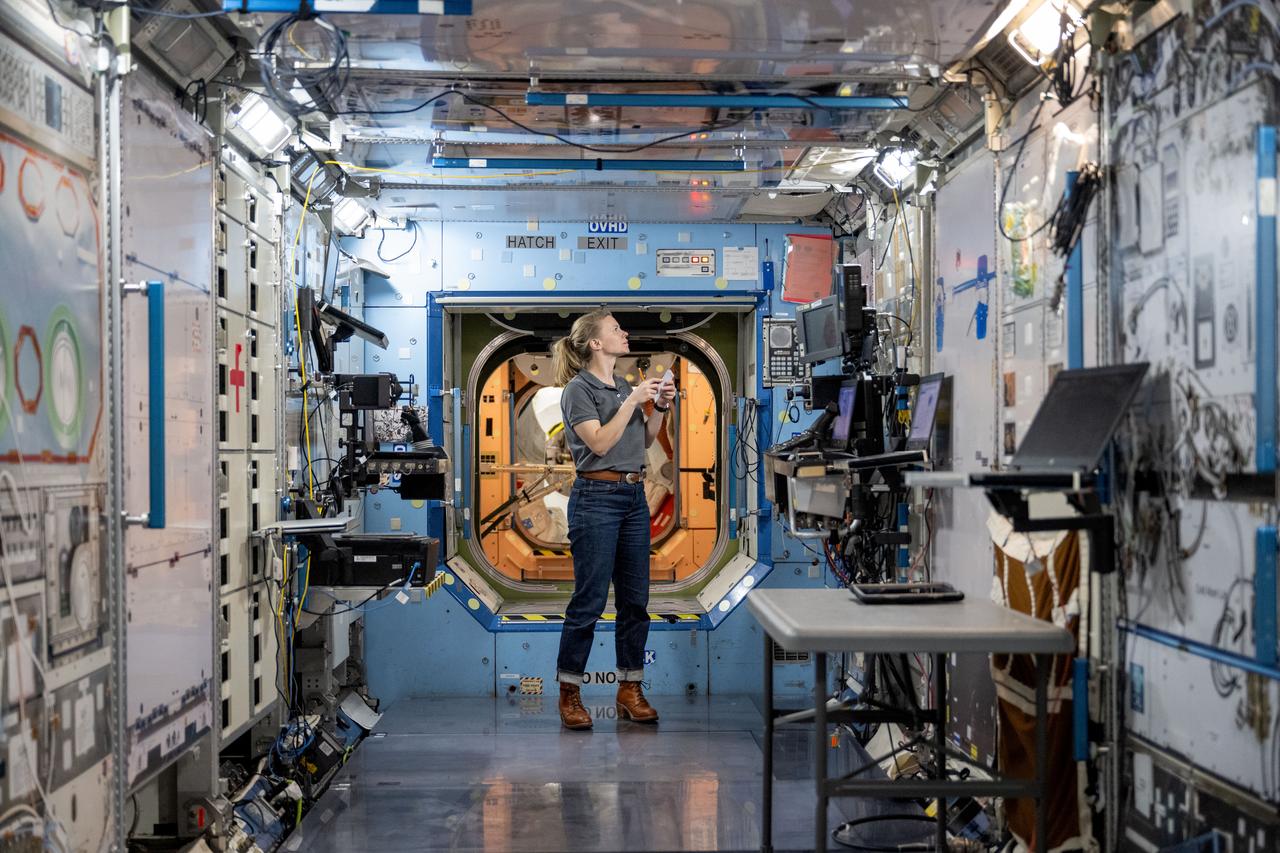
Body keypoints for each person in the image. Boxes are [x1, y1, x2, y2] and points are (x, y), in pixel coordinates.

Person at [550, 308, 677, 730]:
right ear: (595, 344)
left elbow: (642, 439)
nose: (624, 333)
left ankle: (630, 688)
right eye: (615, 329)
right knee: (587, 603)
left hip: (632, 498)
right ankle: (570, 693)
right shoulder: (577, 390)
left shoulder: (623, 386)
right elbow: (601, 443)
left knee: (635, 601)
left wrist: (658, 405)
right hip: (596, 499)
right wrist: (636, 400)